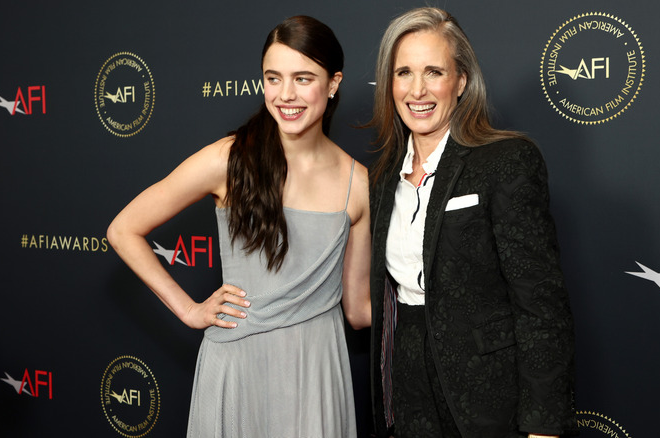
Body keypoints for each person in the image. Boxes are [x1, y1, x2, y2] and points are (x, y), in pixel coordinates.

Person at [107, 15, 371, 438]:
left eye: (303, 78)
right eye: (274, 77)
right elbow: (124, 229)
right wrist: (190, 310)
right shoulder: (228, 161)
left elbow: (359, 310)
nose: (286, 94)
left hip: (317, 371)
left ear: (334, 82)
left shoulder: (359, 184)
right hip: (238, 366)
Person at [366, 7, 576, 438]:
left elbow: (540, 306)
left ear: (461, 81)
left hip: (490, 402)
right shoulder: (383, 180)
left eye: (434, 72)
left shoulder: (505, 161)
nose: (417, 89)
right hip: (409, 400)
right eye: (403, 72)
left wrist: (544, 426)